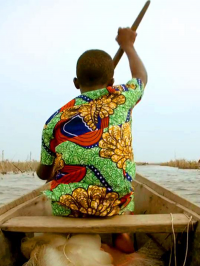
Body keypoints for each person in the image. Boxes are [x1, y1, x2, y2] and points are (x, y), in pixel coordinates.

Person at [37, 28, 147, 253]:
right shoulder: (121, 98)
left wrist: (43, 170)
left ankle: (71, 234)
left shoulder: (55, 120)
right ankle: (122, 234)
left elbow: (43, 174)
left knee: (59, 191)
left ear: (76, 83)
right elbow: (141, 78)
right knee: (124, 194)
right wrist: (128, 45)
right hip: (115, 203)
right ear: (112, 81)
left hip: (69, 206)